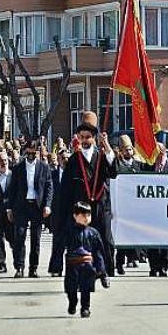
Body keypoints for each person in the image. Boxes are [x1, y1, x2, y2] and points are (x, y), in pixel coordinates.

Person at [62, 112, 117, 280]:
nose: (85, 140)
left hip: (101, 205)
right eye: (82, 137)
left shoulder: (102, 156)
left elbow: (113, 173)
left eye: (88, 137)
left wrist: (107, 146)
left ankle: (106, 271)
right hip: (81, 208)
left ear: (94, 138)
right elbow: (66, 189)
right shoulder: (73, 159)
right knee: (82, 241)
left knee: (106, 240)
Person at [7, 140, 54, 278]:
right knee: (19, 236)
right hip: (21, 206)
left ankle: (33, 268)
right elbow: (12, 189)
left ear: (38, 152)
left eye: (34, 152)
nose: (31, 154)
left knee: (36, 238)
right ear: (25, 151)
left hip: (37, 207)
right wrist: (9, 208)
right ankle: (19, 267)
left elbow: (49, 187)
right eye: (29, 151)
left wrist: (47, 205)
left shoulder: (44, 168)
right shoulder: (18, 168)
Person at [64, 202, 108, 318]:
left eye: (88, 215)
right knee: (71, 288)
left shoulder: (93, 233)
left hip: (87, 264)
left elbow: (98, 253)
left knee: (86, 287)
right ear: (75, 216)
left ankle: (85, 308)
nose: (86, 218)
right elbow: (59, 247)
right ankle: (72, 302)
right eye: (83, 215)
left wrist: (102, 272)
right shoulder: (68, 231)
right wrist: (56, 263)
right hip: (72, 263)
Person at [144, 142, 168, 277]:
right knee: (151, 238)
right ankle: (153, 266)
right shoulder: (148, 165)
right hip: (151, 208)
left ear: (163, 152)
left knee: (165, 237)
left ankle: (164, 265)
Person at [114, 135, 142, 275]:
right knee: (121, 235)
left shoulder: (138, 165)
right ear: (121, 151)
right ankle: (119, 263)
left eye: (130, 149)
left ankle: (133, 258)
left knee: (133, 233)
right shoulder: (117, 165)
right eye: (125, 150)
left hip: (134, 205)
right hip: (121, 204)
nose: (128, 152)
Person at [48, 148, 71, 277]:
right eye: (63, 158)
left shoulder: (74, 173)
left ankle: (72, 270)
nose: (65, 160)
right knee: (57, 241)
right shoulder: (52, 175)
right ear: (59, 159)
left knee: (72, 242)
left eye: (68, 158)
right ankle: (56, 268)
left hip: (71, 213)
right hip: (57, 213)